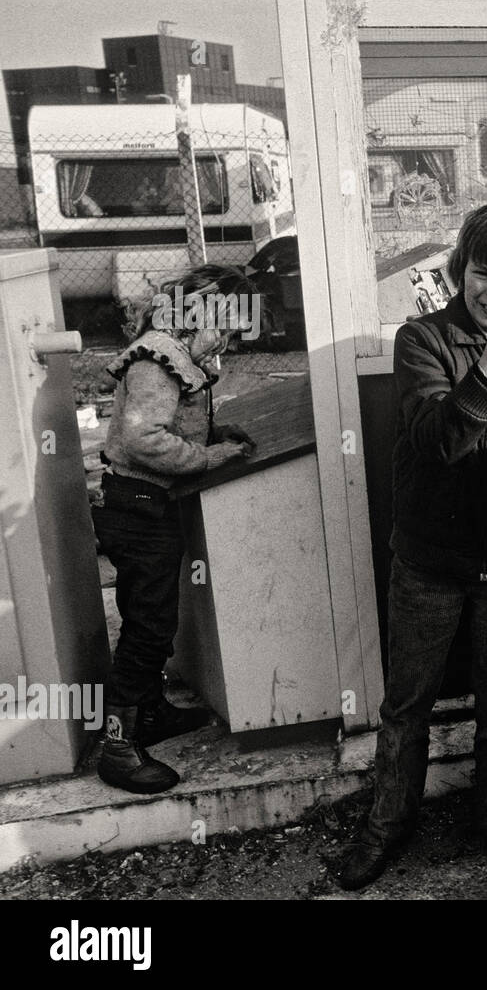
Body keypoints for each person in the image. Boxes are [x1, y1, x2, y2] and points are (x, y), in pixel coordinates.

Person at [337, 198, 487, 891]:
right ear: (462, 269)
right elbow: (436, 442)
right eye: (484, 271)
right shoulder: (421, 340)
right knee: (409, 704)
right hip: (429, 561)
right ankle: (388, 822)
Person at [94, 264, 258, 794]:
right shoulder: (157, 358)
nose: (228, 341)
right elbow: (144, 439)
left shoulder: (178, 354)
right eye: (226, 327)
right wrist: (208, 455)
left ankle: (151, 712)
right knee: (145, 628)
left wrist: (215, 432)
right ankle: (117, 746)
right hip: (136, 508)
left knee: (156, 618)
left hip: (150, 506)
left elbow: (177, 419)